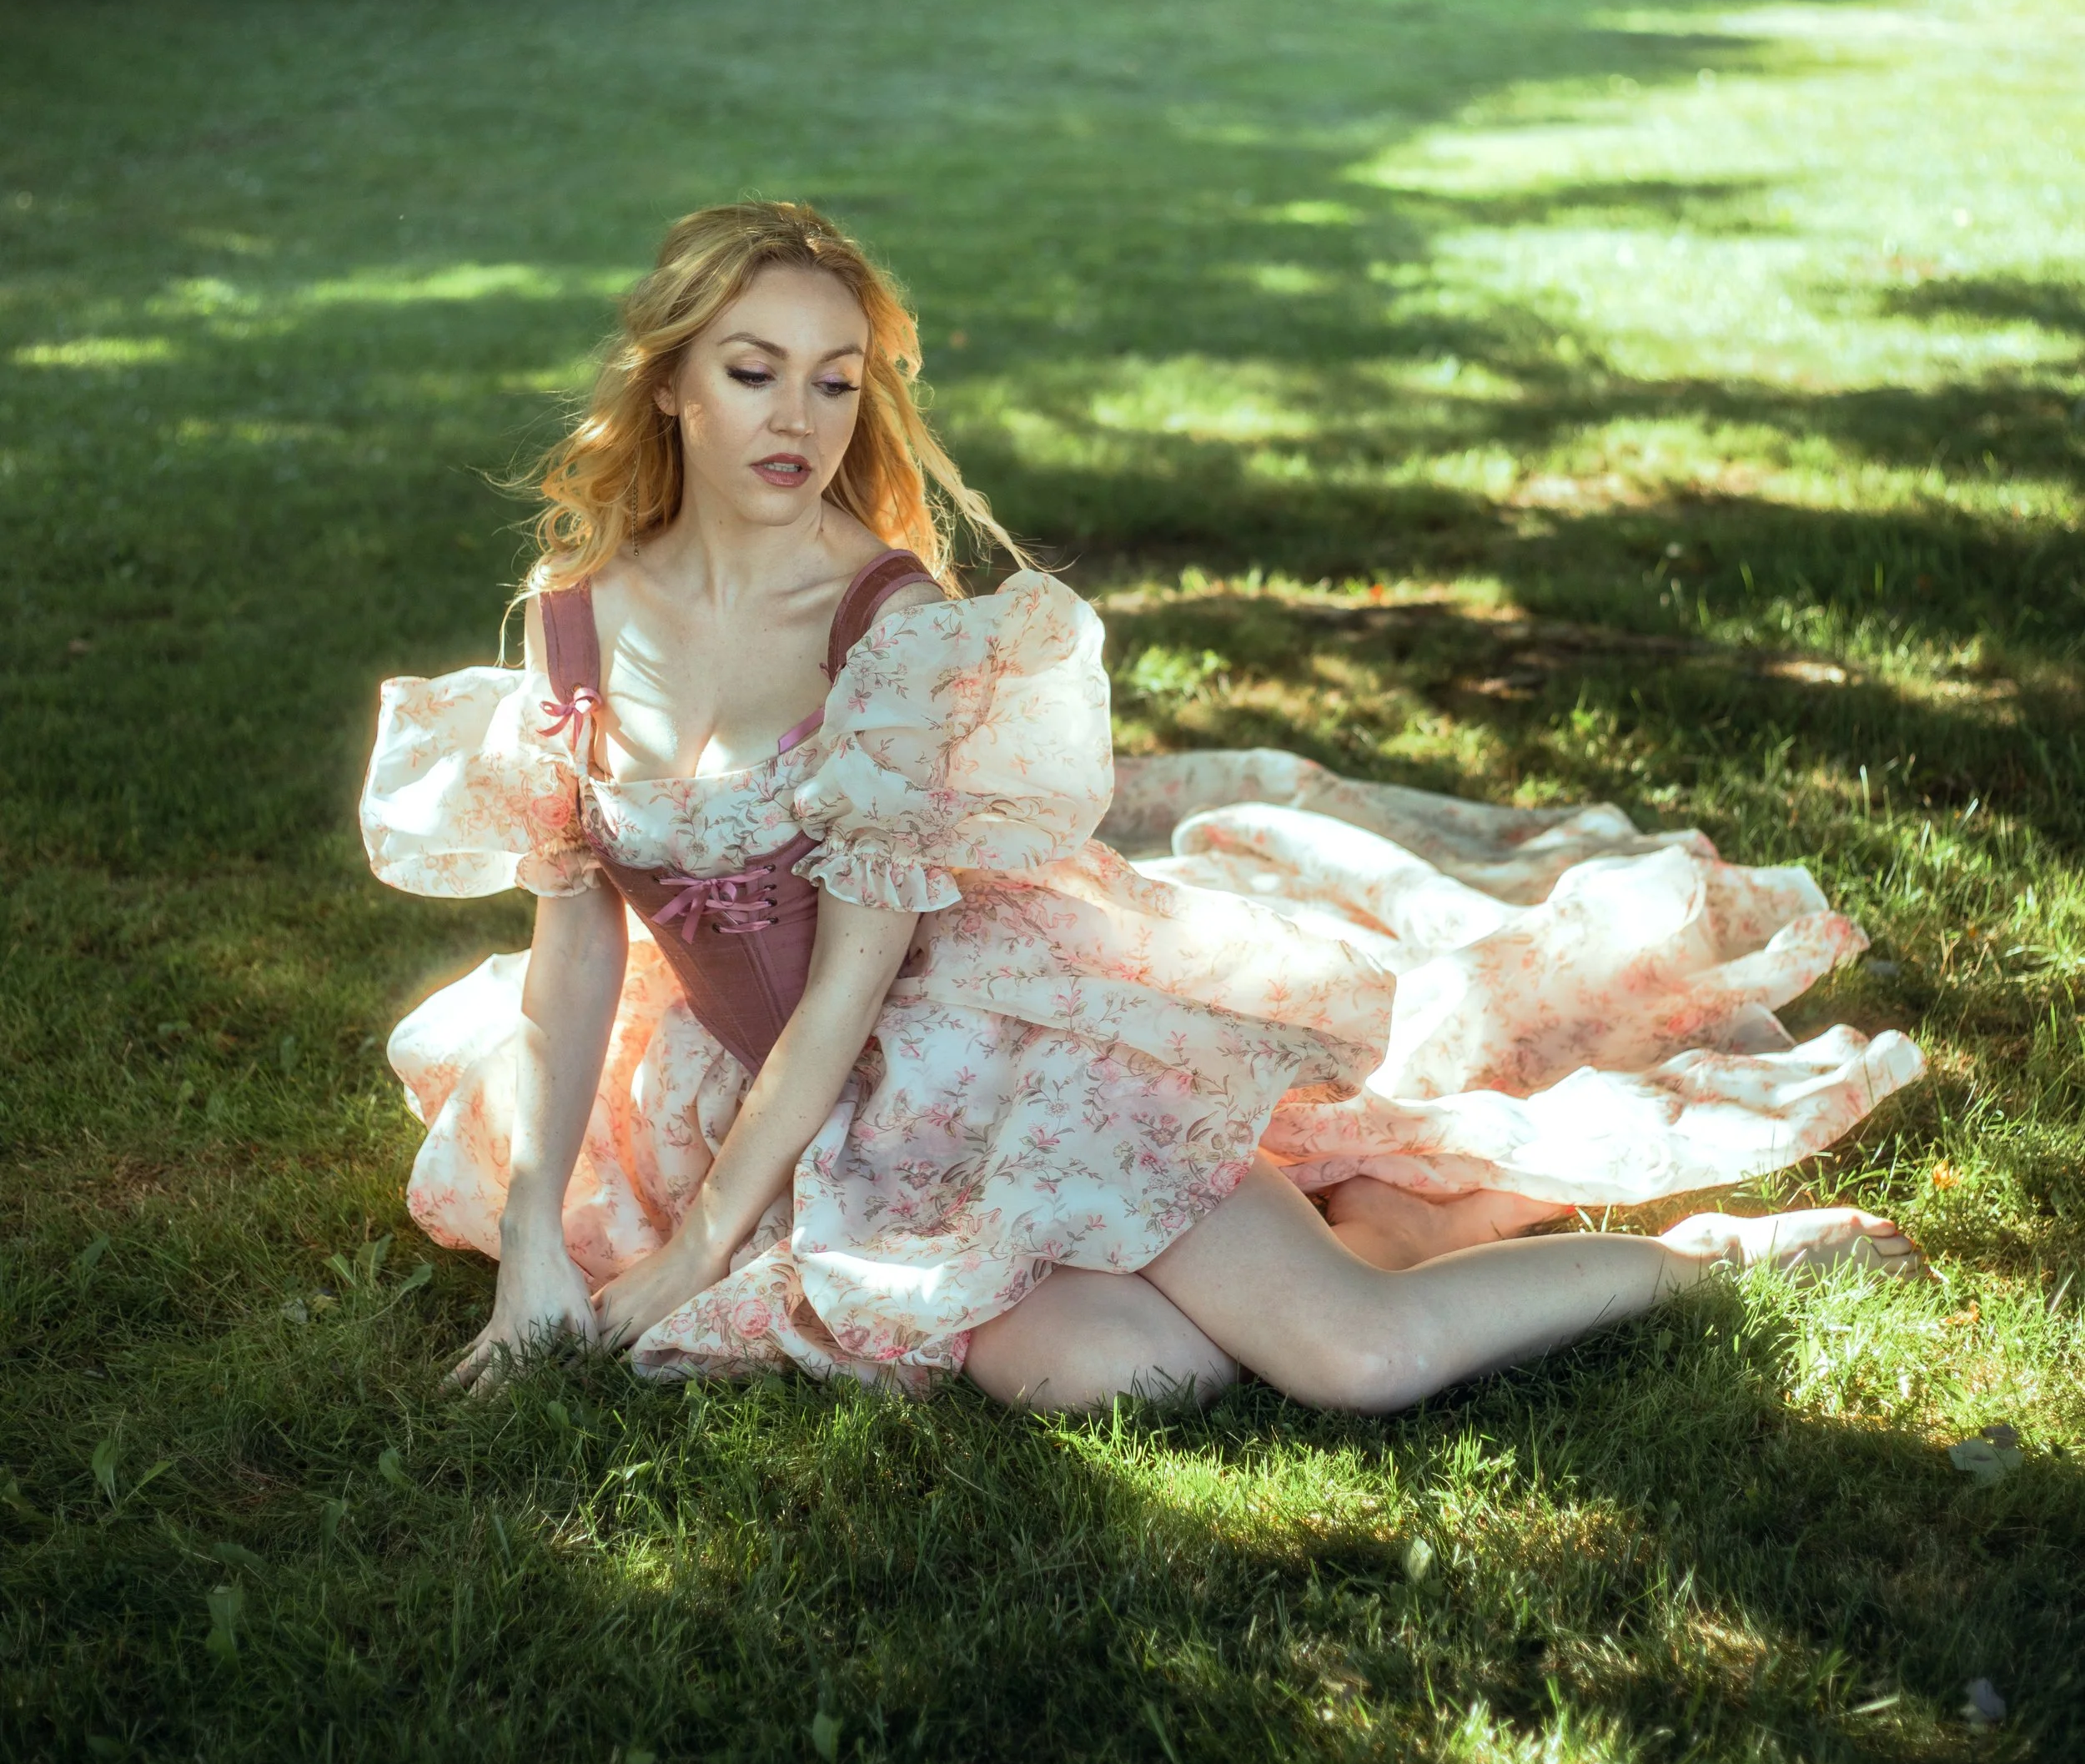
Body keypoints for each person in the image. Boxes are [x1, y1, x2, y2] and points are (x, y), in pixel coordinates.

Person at [360, 201, 1922, 1413]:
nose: (801, 419)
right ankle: (1375, 1215)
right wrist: (536, 1250)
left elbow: (850, 985)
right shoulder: (576, 617)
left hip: (984, 1043)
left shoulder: (890, 626)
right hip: (760, 1088)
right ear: (675, 388)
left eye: (835, 381)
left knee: (1352, 1361)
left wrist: (701, 1245)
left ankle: (1692, 1264)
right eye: (753, 371)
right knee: (1130, 1372)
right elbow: (573, 948)